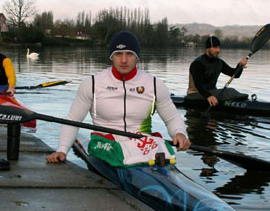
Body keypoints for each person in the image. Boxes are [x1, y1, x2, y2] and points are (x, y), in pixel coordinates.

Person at [46, 31, 190, 164]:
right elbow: (73, 119)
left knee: (164, 149)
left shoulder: (154, 84)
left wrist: (179, 133)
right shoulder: (93, 83)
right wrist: (62, 149)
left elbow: (172, 118)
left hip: (140, 144)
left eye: (129, 54)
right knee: (121, 154)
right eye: (118, 54)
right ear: (111, 56)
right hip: (105, 143)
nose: (124, 60)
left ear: (137, 57)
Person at [186, 35, 248, 107]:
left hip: (211, 94)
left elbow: (235, 75)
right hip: (195, 95)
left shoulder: (219, 63)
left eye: (219, 47)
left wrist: (240, 66)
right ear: (208, 48)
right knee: (229, 91)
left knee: (229, 92)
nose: (218, 50)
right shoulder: (197, 63)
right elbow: (198, 84)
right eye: (215, 47)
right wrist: (209, 96)